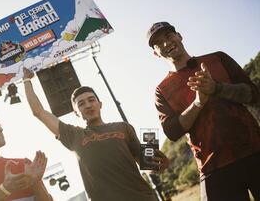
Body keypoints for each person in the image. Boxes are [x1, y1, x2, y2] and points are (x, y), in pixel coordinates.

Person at [147, 22, 260, 201]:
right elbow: (172, 131)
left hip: (255, 150)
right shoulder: (162, 90)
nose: (166, 44)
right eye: (158, 43)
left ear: (179, 36)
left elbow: (253, 94)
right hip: (214, 168)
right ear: (155, 53)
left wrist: (217, 88)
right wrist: (198, 102)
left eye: (168, 36)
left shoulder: (218, 59)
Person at [22, 68, 169, 201]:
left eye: (91, 100)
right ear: (76, 113)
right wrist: (27, 80)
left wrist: (160, 165)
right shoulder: (73, 135)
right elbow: (39, 112)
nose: (87, 105)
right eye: (81, 104)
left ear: (100, 104)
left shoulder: (123, 127)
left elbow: (147, 164)